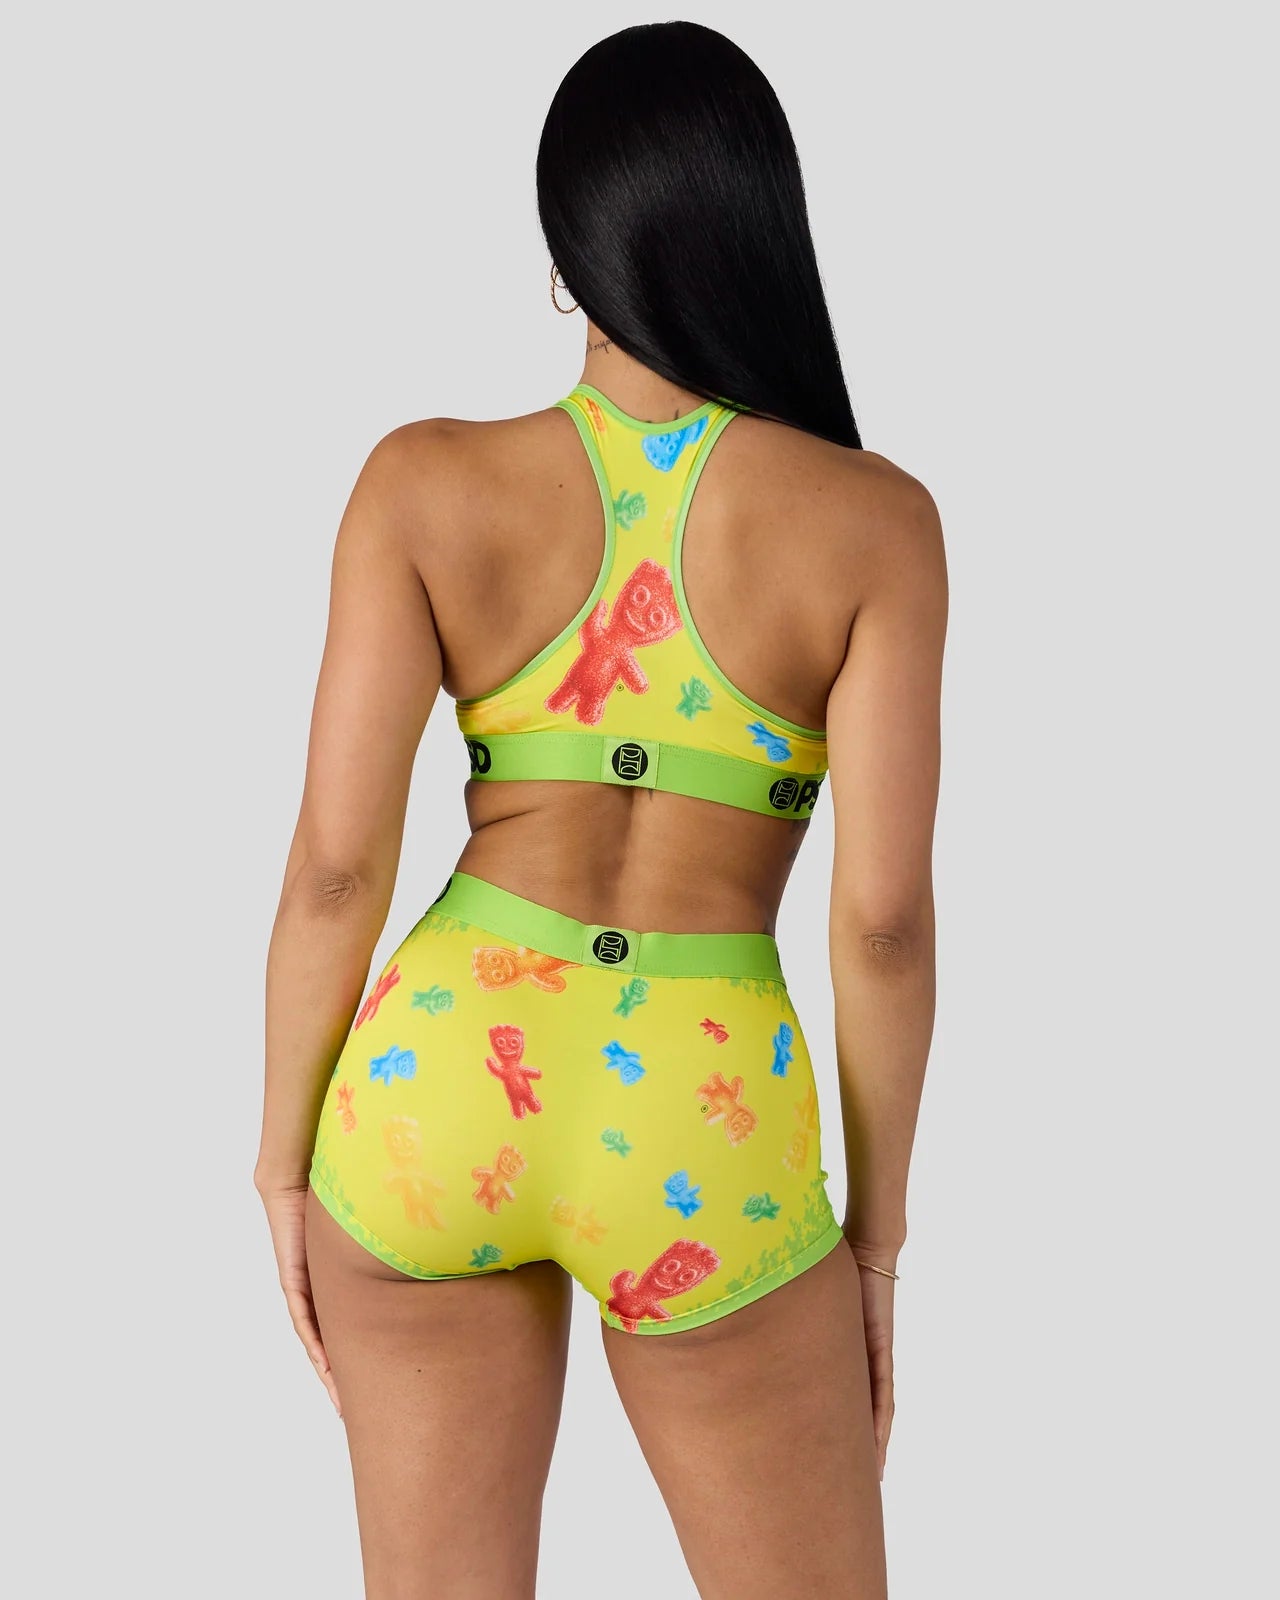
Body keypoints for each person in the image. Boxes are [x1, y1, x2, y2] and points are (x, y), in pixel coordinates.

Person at [256, 21, 945, 1599]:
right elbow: (884, 927)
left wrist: (284, 1161)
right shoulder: (875, 525)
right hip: (703, 1110)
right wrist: (878, 1241)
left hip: (436, 1088)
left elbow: (337, 868)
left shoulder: (422, 482)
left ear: (567, 252)